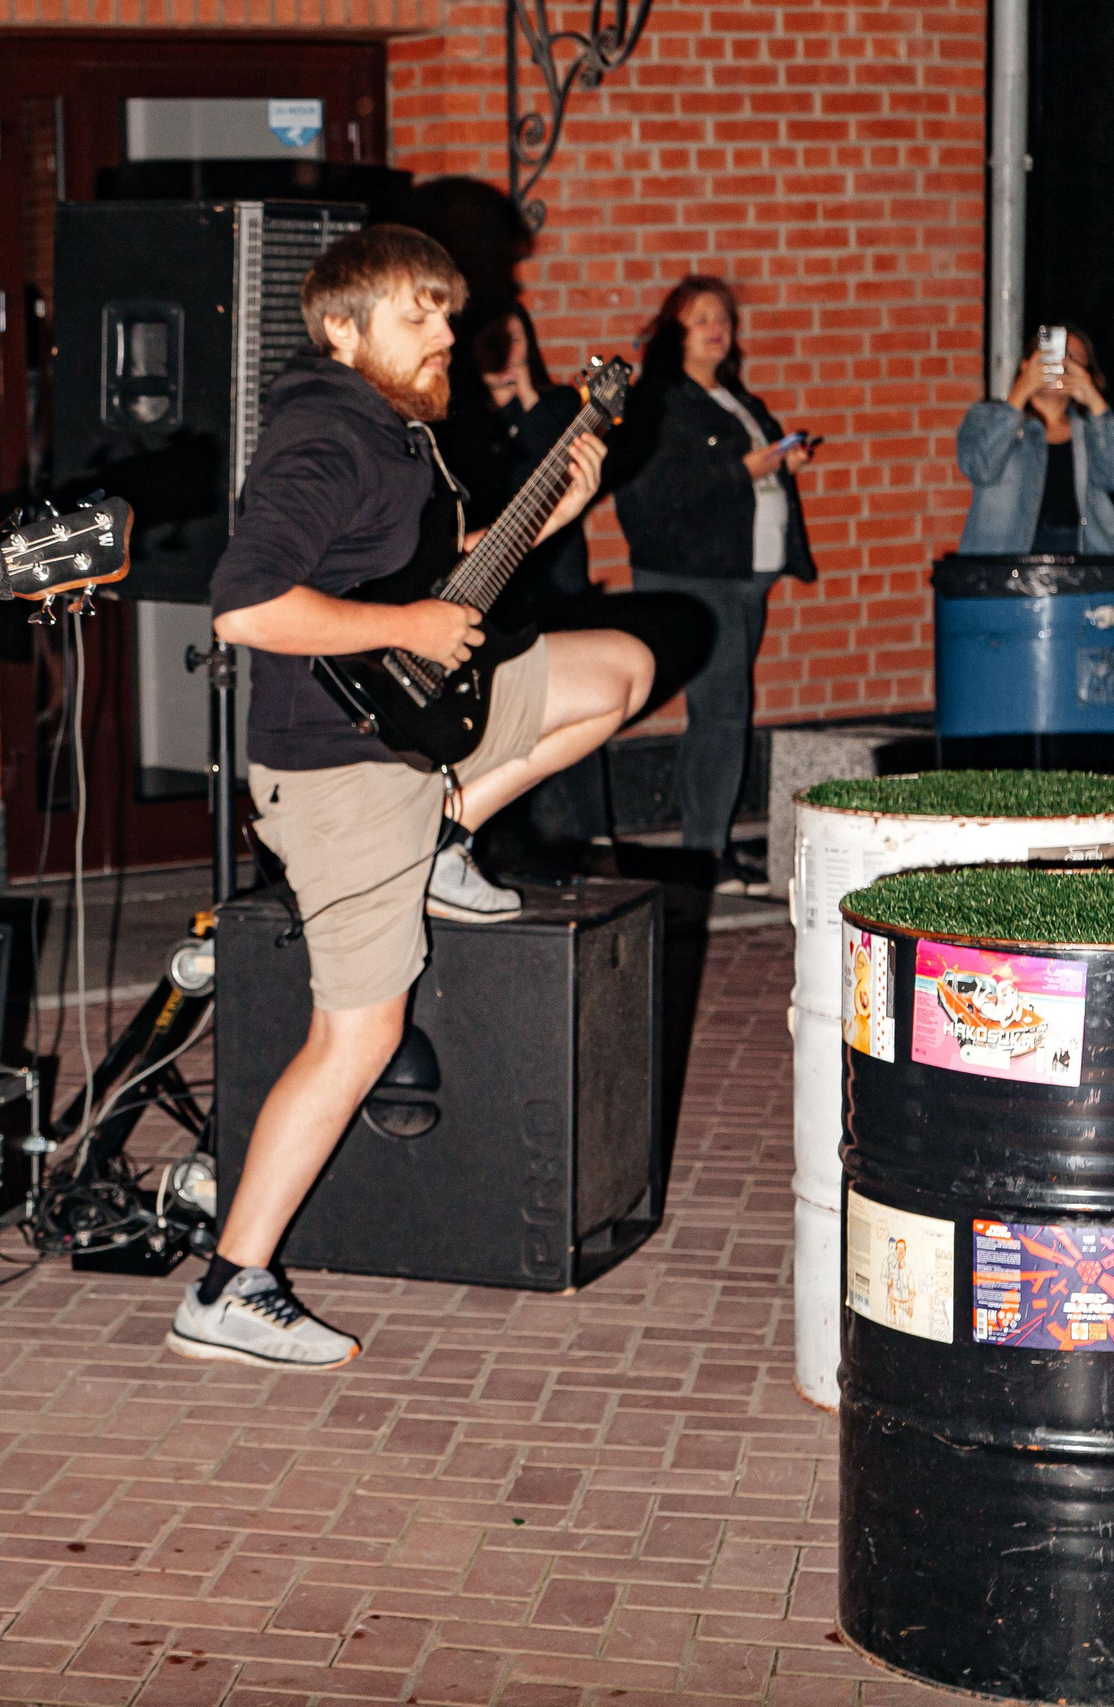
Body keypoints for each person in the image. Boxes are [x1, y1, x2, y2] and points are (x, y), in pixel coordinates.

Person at [189, 226, 653, 1369]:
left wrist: (558, 497)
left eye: (448, 312)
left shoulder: (396, 434)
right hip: (337, 765)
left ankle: (452, 828)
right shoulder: (324, 437)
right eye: (419, 315)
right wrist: (403, 628)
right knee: (358, 1033)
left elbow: (450, 569)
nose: (449, 332)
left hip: (412, 723)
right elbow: (245, 609)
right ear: (345, 329)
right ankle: (228, 1286)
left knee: (619, 675)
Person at [609, 276, 816, 894]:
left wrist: (782, 461)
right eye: (700, 317)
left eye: (723, 316)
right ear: (673, 329)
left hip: (746, 572)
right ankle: (704, 853)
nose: (716, 327)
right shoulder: (659, 401)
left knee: (723, 712)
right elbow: (650, 495)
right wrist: (742, 470)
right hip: (697, 575)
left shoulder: (731, 396)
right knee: (723, 713)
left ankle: (709, 845)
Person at [449, 303, 611, 845]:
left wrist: (530, 400)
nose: (504, 352)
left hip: (554, 579)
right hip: (492, 586)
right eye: (493, 341)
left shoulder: (558, 404)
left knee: (581, 699)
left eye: (513, 339)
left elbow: (557, 469)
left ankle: (593, 837)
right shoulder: (463, 420)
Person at [956, 325, 1114, 556]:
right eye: (1054, 354)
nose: (1062, 364)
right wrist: (1020, 392)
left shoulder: (1091, 430)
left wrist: (1096, 403)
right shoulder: (988, 417)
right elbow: (980, 468)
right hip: (1005, 562)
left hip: (1083, 562)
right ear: (1027, 365)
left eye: (1073, 359)